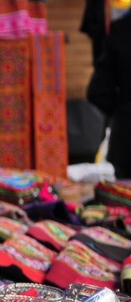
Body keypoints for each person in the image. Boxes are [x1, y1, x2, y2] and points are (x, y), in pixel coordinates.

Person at [87, 10, 131, 178]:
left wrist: (122, 112)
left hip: (126, 138)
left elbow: (98, 91)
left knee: (124, 200)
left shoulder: (120, 30)